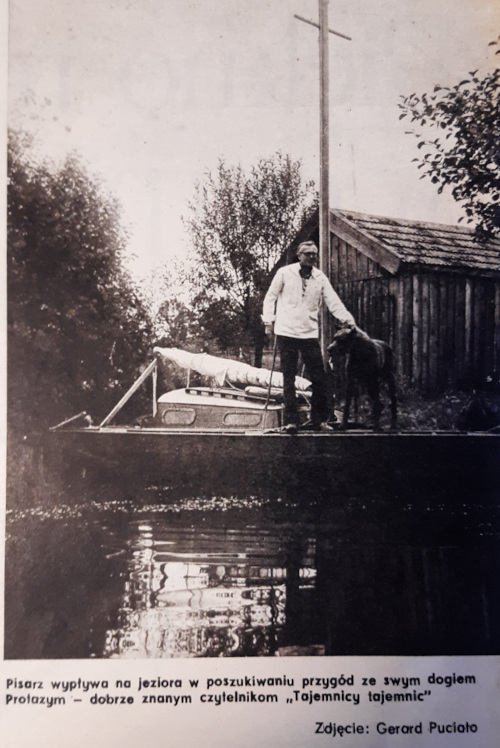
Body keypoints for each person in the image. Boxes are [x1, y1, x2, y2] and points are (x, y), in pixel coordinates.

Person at [262, 240, 355, 433]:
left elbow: (333, 301)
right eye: (308, 254)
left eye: (314, 254)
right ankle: (291, 422)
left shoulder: (320, 278)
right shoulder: (284, 273)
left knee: (319, 377)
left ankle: (318, 420)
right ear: (299, 255)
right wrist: (268, 322)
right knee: (288, 378)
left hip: (309, 333)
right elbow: (270, 297)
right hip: (286, 332)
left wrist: (348, 320)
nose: (312, 257)